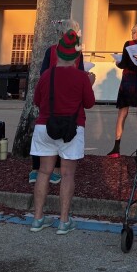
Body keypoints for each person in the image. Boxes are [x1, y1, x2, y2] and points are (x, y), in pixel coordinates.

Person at [29, 29, 95, 235]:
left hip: (45, 126)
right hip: (72, 128)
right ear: (76, 56)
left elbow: (37, 101)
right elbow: (89, 103)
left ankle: (37, 218)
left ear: (57, 53)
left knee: (43, 172)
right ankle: (63, 221)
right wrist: (90, 84)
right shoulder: (81, 77)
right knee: (67, 174)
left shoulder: (46, 75)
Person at [30, 19, 89, 183]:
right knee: (64, 137)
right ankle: (56, 170)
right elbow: (81, 75)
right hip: (69, 99)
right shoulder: (77, 53)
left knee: (45, 131)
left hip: (50, 97)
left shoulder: (51, 51)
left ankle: (38, 169)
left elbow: (43, 73)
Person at [106, 23, 137, 158]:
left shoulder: (128, 44)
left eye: (133, 32)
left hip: (128, 81)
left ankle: (116, 147)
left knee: (122, 114)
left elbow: (124, 63)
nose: (132, 34)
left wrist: (118, 63)